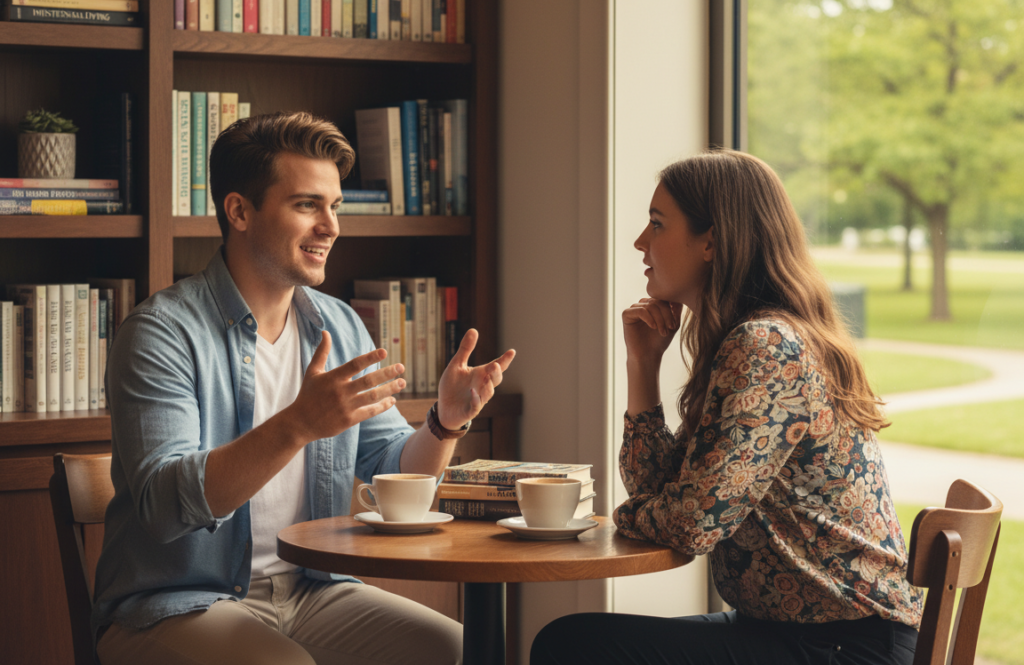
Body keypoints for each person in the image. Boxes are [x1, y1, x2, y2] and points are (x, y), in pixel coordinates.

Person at [93, 111, 515, 665]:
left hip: (314, 589)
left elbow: (391, 466)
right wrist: (297, 424)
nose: (331, 226)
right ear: (239, 211)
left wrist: (445, 422)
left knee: (463, 651)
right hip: (177, 602)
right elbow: (164, 507)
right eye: (306, 205)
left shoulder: (338, 325)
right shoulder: (161, 333)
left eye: (334, 206)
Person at [531, 150, 922, 665]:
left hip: (845, 645)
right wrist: (642, 366)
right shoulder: (754, 339)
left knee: (571, 646)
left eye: (656, 224)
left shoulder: (766, 346)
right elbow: (661, 492)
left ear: (711, 241)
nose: (640, 242)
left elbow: (694, 522)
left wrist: (618, 517)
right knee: (575, 641)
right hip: (801, 632)